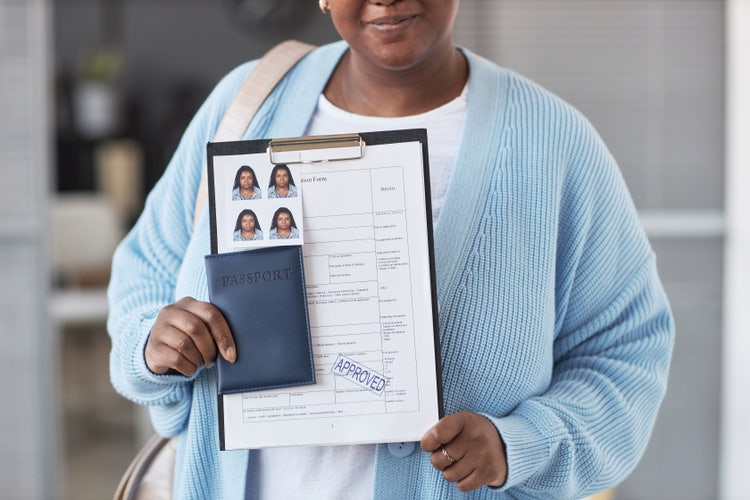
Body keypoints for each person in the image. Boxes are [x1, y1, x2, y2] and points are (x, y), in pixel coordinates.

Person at [107, 1, 675, 498]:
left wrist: (516, 444)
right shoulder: (246, 104)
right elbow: (147, 272)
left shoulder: (550, 141)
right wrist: (154, 342)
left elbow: (625, 351)